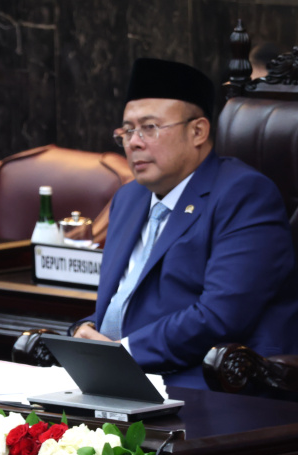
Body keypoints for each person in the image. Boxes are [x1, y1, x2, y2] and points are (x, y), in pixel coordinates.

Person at [73, 57, 298, 388]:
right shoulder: (129, 197)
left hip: (205, 385)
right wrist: (88, 331)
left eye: (149, 127)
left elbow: (220, 316)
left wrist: (123, 353)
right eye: (128, 130)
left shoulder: (244, 195)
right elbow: (128, 298)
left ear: (198, 131)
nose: (134, 142)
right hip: (118, 377)